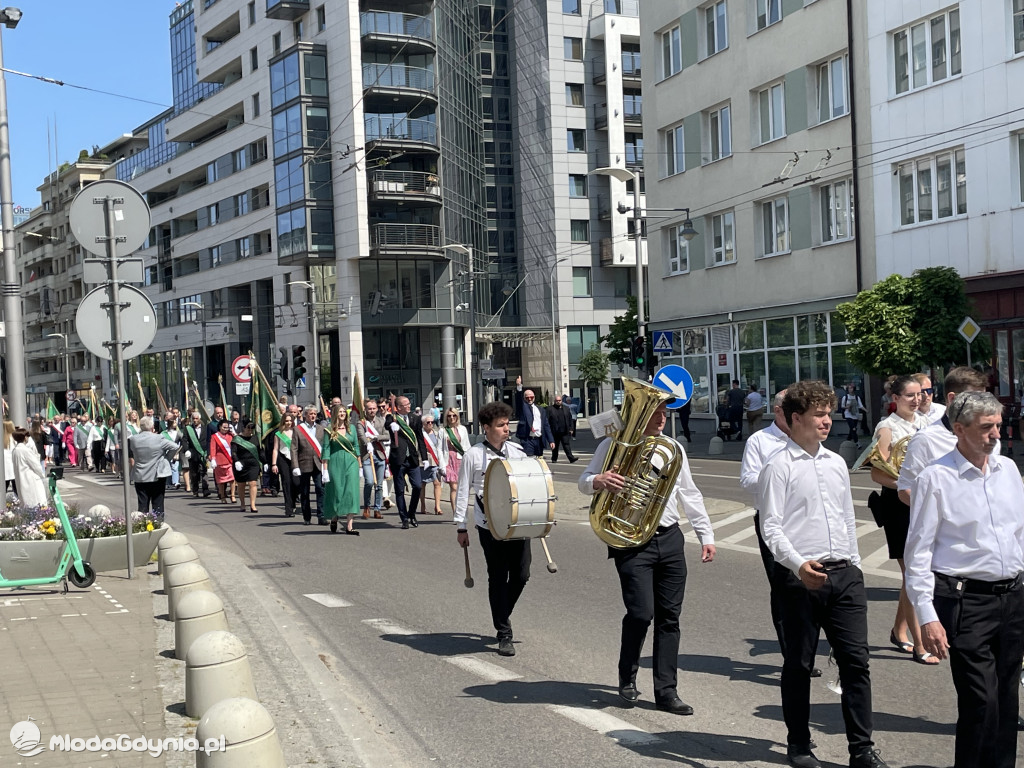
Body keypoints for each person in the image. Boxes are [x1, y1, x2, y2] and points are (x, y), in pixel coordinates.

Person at [759, 381, 887, 768]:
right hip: (800, 577)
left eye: (829, 413)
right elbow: (771, 527)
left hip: (844, 575)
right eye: (818, 414)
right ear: (796, 418)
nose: (826, 421)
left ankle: (861, 749)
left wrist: (856, 565)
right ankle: (799, 744)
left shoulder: (835, 463)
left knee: (856, 663)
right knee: (799, 663)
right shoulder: (777, 465)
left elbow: (847, 518)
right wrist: (798, 565)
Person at [906, 391, 1024, 768]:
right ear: (959, 429)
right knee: (980, 700)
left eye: (998, 426)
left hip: (1013, 597)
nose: (996, 434)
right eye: (986, 427)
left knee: (1007, 698)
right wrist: (926, 616)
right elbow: (919, 551)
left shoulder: (1008, 471)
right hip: (966, 601)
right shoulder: (937, 477)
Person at [579, 398, 716, 715]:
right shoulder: (614, 446)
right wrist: (598, 481)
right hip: (631, 542)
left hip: (669, 538)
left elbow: (689, 493)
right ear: (638, 413)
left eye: (664, 413)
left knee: (670, 618)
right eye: (655, 411)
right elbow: (583, 480)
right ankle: (626, 677)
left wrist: (706, 535)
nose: (661, 418)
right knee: (641, 613)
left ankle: (666, 691)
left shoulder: (672, 448)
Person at [740, 389, 823, 679]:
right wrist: (777, 474)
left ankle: (806, 650)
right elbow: (748, 480)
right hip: (773, 522)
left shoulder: (811, 440)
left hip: (807, 521)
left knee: (810, 585)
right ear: (779, 412)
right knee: (784, 587)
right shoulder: (760, 441)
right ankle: (793, 655)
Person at [455, 401, 533, 657]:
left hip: (516, 523)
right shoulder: (473, 455)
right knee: (498, 577)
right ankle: (504, 632)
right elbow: (463, 490)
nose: (506, 430)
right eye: (500, 426)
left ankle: (502, 612)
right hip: (489, 526)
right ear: (486, 428)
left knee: (521, 575)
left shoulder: (518, 452)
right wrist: (461, 526)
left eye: (507, 424)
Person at [869, 375, 932, 665]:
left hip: (923, 503)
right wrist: (909, 484)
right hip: (897, 504)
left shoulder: (924, 423)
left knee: (913, 574)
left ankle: (899, 631)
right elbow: (878, 472)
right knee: (912, 574)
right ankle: (920, 644)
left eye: (920, 394)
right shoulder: (887, 427)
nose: (917, 399)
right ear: (895, 398)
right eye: (910, 395)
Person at [897, 366, 990, 509]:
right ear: (952, 398)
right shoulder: (925, 439)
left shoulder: (988, 436)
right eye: (975, 400)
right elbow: (905, 490)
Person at [384, 395, 424, 530]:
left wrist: (424, 457)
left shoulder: (415, 418)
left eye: (409, 403)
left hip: (412, 459)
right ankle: (404, 518)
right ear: (399, 407)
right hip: (398, 459)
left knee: (418, 486)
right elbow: (387, 423)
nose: (409, 406)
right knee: (399, 490)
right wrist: (391, 425)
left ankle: (411, 513)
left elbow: (420, 438)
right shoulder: (392, 417)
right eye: (405, 404)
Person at [127, 416, 180, 516]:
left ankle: (143, 526)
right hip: (157, 474)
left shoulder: (133, 439)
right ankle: (158, 525)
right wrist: (166, 458)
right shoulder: (158, 438)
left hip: (140, 474)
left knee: (142, 505)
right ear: (152, 427)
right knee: (158, 503)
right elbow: (175, 447)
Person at [321, 407, 361, 534]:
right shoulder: (329, 430)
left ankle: (349, 525)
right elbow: (326, 449)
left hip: (351, 462)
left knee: (351, 492)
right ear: (335, 414)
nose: (342, 414)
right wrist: (325, 469)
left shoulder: (352, 429)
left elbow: (356, 446)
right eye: (340, 412)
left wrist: (359, 465)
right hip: (335, 462)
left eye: (344, 412)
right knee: (337, 491)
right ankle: (334, 516)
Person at [291, 405, 326, 526]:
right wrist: (295, 466)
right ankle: (307, 517)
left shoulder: (321, 429)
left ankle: (321, 515)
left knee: (320, 489)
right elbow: (294, 449)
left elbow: (325, 447)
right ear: (305, 415)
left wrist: (326, 465)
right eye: (310, 414)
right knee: (304, 492)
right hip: (303, 463)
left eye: (314, 414)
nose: (312, 416)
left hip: (318, 463)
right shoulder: (298, 429)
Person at [355, 398, 387, 520]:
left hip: (380, 455)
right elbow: (361, 436)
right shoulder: (361, 423)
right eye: (369, 408)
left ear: (377, 409)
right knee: (369, 482)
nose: (372, 411)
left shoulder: (381, 421)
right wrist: (366, 442)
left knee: (379, 485)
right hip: (367, 456)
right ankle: (367, 506)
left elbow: (387, 435)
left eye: (374, 408)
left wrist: (375, 437)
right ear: (365, 410)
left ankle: (377, 508)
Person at [513, 376, 554, 457]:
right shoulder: (523, 407)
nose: (529, 399)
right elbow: (519, 400)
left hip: (539, 439)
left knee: (539, 461)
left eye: (531, 397)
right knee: (529, 460)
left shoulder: (541, 409)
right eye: (527, 397)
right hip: (527, 440)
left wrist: (551, 440)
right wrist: (519, 386)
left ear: (534, 397)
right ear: (524, 398)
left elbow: (546, 426)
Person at [441, 408, 470, 515]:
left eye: (454, 415)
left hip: (460, 459)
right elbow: (440, 449)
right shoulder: (443, 431)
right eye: (449, 416)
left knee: (461, 487)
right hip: (448, 460)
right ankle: (455, 512)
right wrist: (441, 465)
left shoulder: (462, 429)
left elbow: (467, 445)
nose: (451, 418)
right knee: (454, 487)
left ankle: (462, 510)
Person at [231, 420, 263, 514]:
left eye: (252, 428)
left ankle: (253, 504)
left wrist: (265, 462)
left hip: (253, 464)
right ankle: (243, 503)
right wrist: (236, 461)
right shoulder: (237, 439)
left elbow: (260, 451)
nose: (250, 430)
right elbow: (233, 452)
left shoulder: (255, 438)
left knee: (253, 483)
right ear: (243, 428)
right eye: (248, 428)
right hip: (241, 464)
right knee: (241, 485)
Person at [271, 412, 298, 517]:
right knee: (286, 482)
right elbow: (275, 449)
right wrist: (274, 464)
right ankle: (288, 508)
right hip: (283, 459)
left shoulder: (296, 432)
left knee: (296, 483)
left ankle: (293, 502)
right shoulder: (279, 433)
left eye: (290, 421)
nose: (288, 423)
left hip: (295, 459)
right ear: (283, 421)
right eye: (286, 421)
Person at [11, 427, 47, 507]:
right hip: (31, 478)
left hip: (21, 478)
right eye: (27, 436)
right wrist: (42, 475)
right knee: (37, 501)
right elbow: (35, 465)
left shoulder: (15, 450)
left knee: (25, 501)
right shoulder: (25, 450)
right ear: (25, 437)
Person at [420, 413, 447, 516]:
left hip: (435, 461)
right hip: (423, 462)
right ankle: (423, 504)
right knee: (422, 484)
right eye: (428, 422)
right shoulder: (420, 434)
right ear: (423, 424)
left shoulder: (437, 433)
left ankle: (437, 506)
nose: (430, 424)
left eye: (432, 422)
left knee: (437, 483)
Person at [183, 412, 212, 498]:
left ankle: (205, 489)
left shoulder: (205, 428)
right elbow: (184, 440)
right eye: (193, 419)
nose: (195, 420)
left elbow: (208, 440)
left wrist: (208, 451)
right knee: (194, 473)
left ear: (200, 419)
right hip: (193, 453)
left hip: (203, 453)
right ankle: (195, 490)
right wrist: (186, 450)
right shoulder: (188, 428)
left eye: (196, 418)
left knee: (204, 471)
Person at [209, 419, 236, 504]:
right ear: (220, 427)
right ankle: (222, 496)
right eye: (224, 427)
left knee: (232, 479)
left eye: (227, 427)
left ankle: (232, 495)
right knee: (221, 481)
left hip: (230, 461)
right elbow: (213, 448)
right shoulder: (215, 436)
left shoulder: (231, 435)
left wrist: (234, 433)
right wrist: (213, 459)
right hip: (220, 461)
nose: (225, 429)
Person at [546, 393, 577, 463]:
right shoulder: (550, 409)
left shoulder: (566, 408)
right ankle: (554, 458)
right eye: (557, 400)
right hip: (555, 431)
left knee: (566, 445)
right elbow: (546, 420)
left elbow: (570, 419)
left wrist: (571, 428)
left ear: (561, 401)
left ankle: (571, 458)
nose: (558, 402)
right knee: (555, 446)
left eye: (559, 400)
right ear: (554, 401)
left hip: (564, 431)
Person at [161, 413, 182, 490]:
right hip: (166, 452)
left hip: (175, 452)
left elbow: (183, 440)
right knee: (167, 467)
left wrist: (179, 451)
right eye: (174, 423)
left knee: (175, 467)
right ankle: (168, 482)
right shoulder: (164, 433)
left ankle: (176, 482)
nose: (176, 424)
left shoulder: (178, 433)